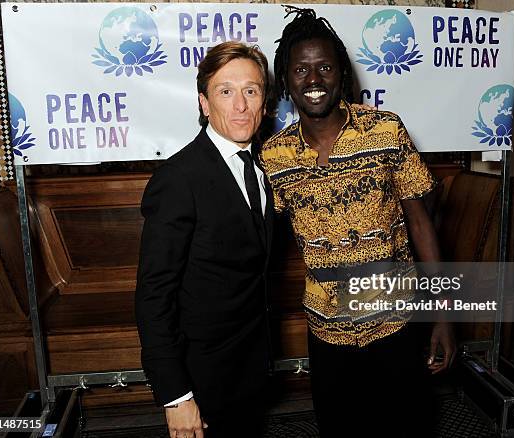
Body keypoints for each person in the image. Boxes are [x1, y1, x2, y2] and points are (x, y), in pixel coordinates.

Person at [260, 8, 456, 437]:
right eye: (301, 69)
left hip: (396, 322)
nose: (314, 80)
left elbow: (421, 225)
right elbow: (261, 245)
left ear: (343, 75)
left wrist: (443, 318)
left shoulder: (385, 130)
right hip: (327, 331)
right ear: (286, 80)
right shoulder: (273, 157)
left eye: (325, 67)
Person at [135, 41, 274, 438]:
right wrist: (176, 396)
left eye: (251, 90)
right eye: (225, 92)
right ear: (204, 103)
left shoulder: (265, 166)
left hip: (250, 372)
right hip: (201, 381)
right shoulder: (178, 179)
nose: (241, 105)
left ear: (265, 101)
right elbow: (153, 296)